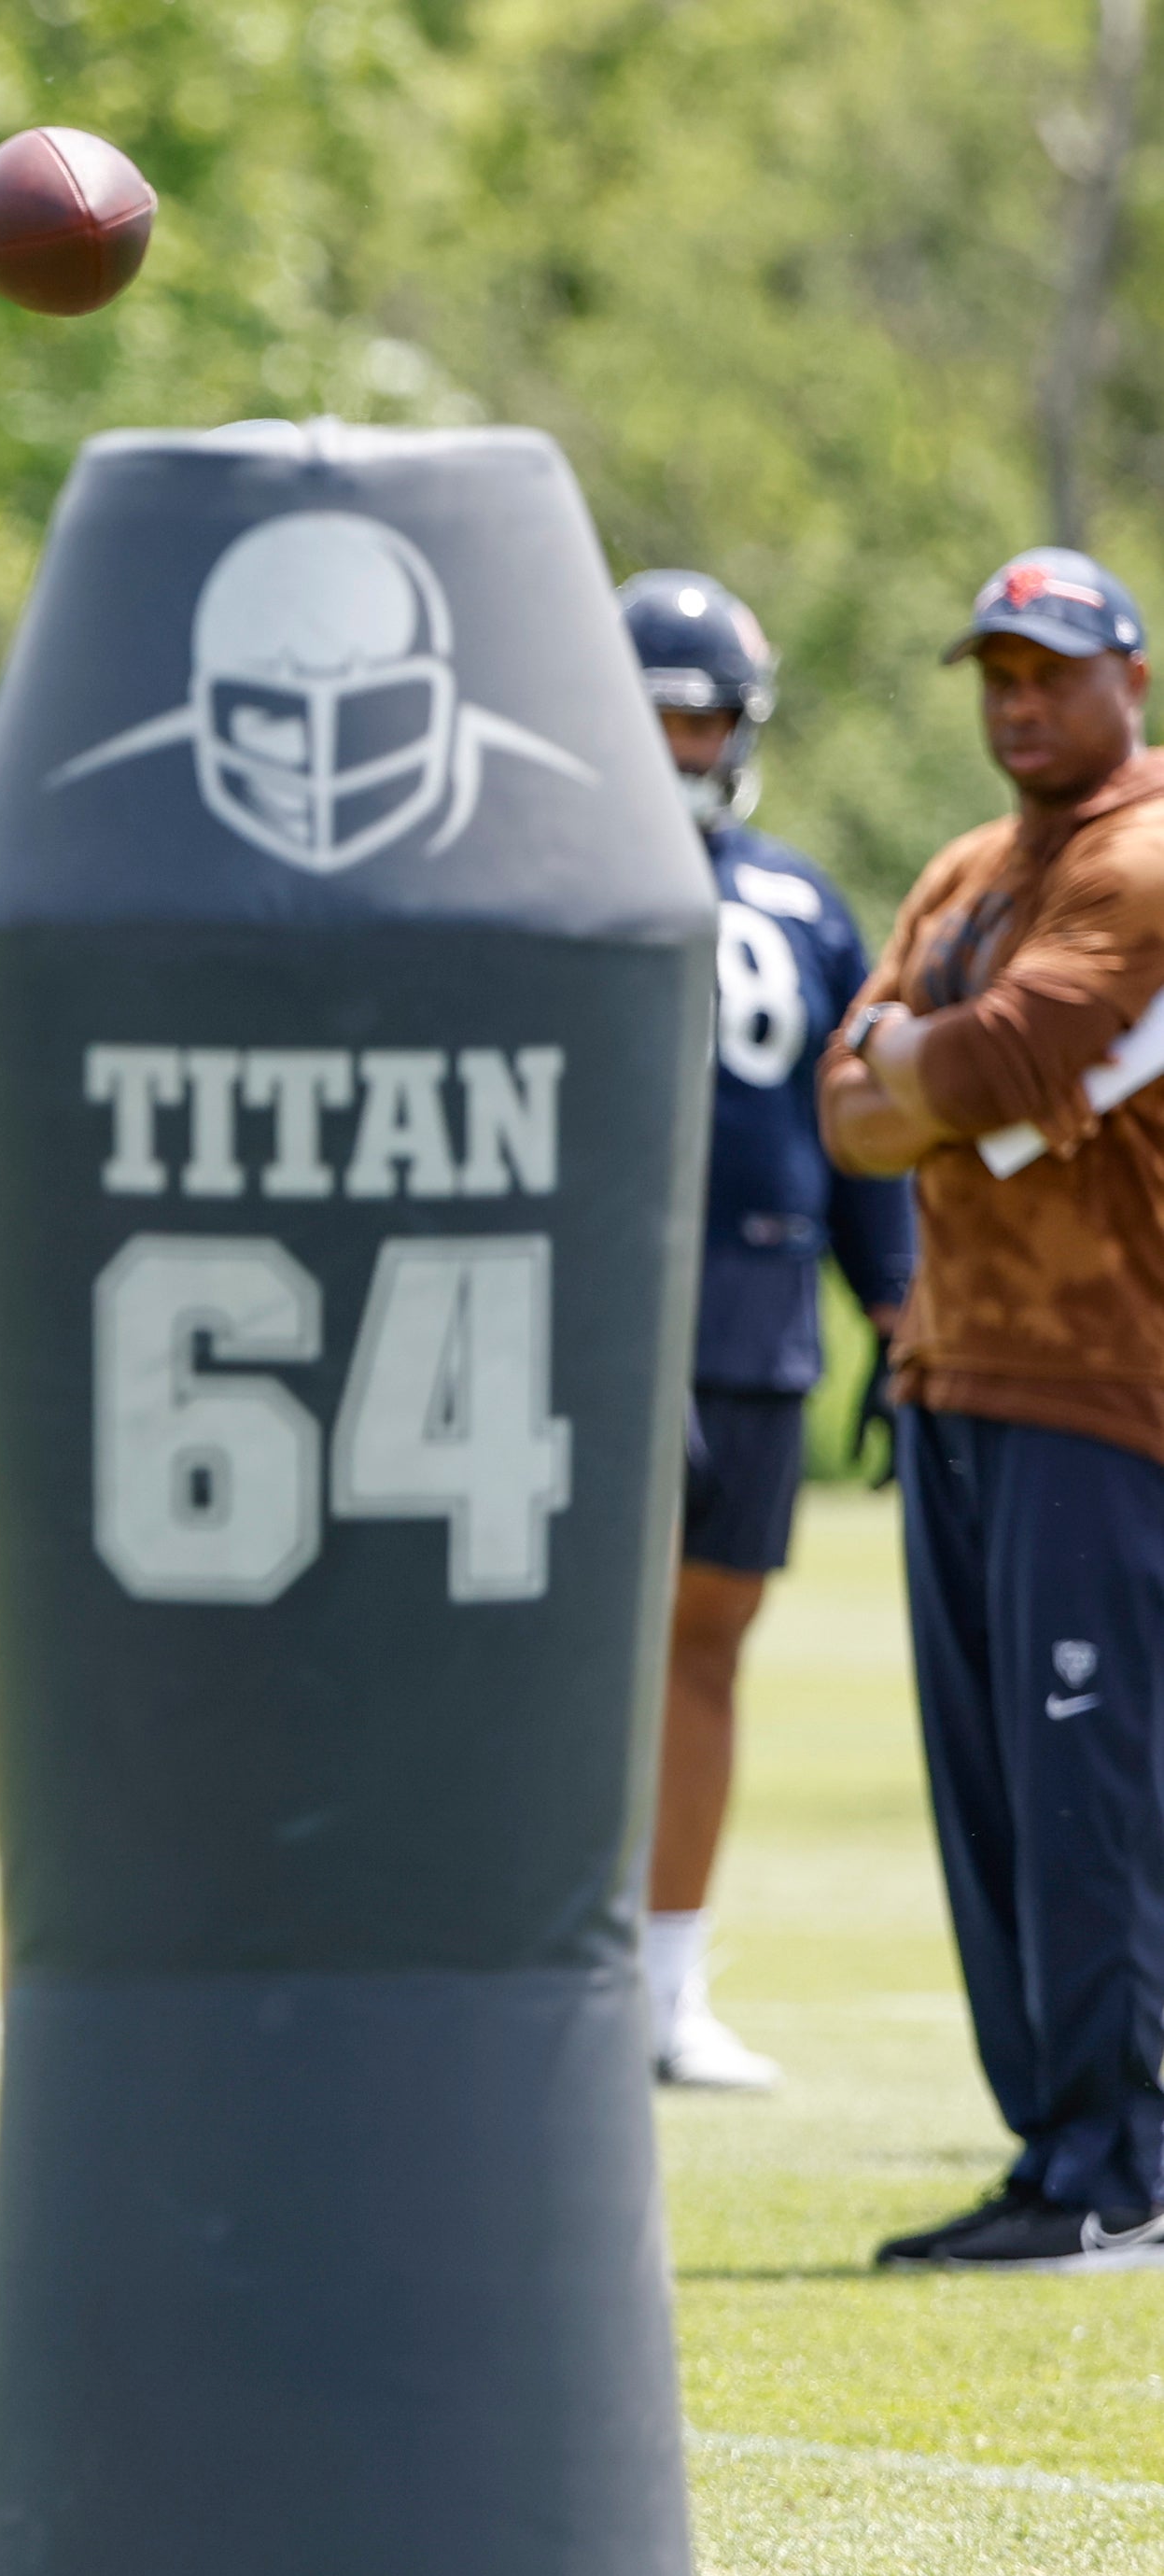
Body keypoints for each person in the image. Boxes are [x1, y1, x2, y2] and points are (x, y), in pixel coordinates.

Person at [822, 546, 1164, 2272]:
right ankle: (1060, 2152)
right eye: (996, 676)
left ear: (1133, 681)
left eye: (1050, 672)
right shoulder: (970, 865)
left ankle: (1125, 2159)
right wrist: (922, 1075)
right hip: (953, 1367)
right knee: (993, 1791)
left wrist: (922, 1070)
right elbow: (850, 1103)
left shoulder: (1147, 856)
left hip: (1106, 1379)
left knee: (1087, 1773)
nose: (1019, 703)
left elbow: (976, 1069)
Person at [621, 570, 912, 2093]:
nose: (677, 745)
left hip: (754, 1306)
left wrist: (898, 1297)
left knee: (711, 1641)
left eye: (702, 717)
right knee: (563, 1654)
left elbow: (855, 1120)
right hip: (587, 1303)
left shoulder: (799, 896)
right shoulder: (543, 876)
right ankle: (564, 1965)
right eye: (651, 714)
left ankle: (668, 1981)